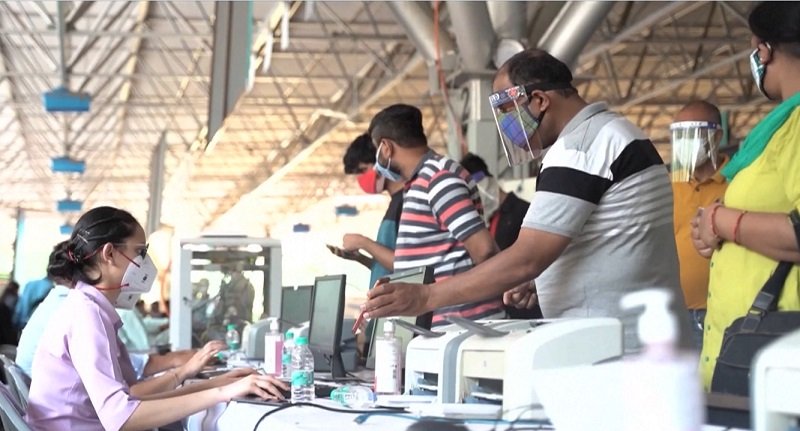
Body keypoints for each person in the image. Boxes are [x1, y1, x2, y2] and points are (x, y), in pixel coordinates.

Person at [363, 49, 687, 351]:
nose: (506, 124)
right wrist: (544, 280)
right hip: (639, 340)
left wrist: (426, 296)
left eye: (507, 110)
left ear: (540, 100)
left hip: (616, 349)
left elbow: (526, 257)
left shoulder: (580, 148)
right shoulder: (613, 133)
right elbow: (614, 239)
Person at [26, 206, 286, 430]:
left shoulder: (89, 308)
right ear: (109, 254)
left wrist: (216, 385)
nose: (146, 262)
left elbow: (130, 397)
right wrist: (222, 393)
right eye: (140, 251)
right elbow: (121, 418)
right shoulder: (87, 315)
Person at [692, 1, 800, 390]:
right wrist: (714, 226)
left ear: (765, 50)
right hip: (750, 348)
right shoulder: (779, 126)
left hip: (779, 353)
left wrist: (723, 221)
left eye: (754, 49)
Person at [365, 104, 505, 326]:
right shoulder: (418, 183)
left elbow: (485, 251)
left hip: (465, 325)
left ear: (386, 147)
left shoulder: (438, 179)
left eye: (377, 151)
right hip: (443, 327)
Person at [669, 101, 729, 352]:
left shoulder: (738, 181)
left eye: (692, 133)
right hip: (674, 313)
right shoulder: (668, 186)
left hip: (722, 312)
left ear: (717, 136)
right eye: (679, 135)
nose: (685, 142)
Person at [459, 153, 542, 320]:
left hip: (525, 309)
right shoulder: (486, 221)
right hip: (502, 310)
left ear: (484, 181)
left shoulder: (523, 213)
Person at [335, 133, 404, 290]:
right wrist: (360, 258)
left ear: (382, 161)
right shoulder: (395, 204)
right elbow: (388, 267)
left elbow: (406, 265)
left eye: (363, 170)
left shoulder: (406, 203)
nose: (361, 179)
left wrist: (363, 242)